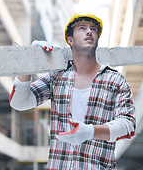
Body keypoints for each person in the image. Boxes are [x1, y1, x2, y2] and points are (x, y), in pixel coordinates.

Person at [9, 13, 136, 170]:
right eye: (82, 28)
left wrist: (90, 132)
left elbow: (128, 125)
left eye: (93, 29)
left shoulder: (116, 80)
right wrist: (30, 61)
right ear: (70, 39)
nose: (89, 32)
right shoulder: (57, 77)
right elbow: (19, 102)